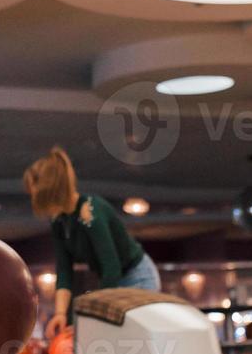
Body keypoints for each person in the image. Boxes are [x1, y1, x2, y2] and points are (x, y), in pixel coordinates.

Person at [23, 146, 161, 341]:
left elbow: (111, 268)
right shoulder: (59, 221)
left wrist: (93, 318)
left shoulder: (92, 213)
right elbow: (64, 270)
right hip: (113, 278)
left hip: (137, 277)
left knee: (132, 339)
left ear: (51, 193)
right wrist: (61, 314)